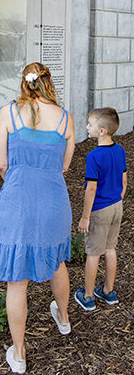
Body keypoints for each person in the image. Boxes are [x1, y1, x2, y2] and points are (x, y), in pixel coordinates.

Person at [0, 62, 75, 374]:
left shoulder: (7, 113)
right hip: (54, 200)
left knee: (16, 278)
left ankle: (20, 353)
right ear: (49, 83)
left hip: (18, 199)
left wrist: (18, 179)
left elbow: (1, 163)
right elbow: (65, 165)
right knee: (57, 262)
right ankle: (63, 318)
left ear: (23, 83)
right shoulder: (65, 118)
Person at [74, 108, 127, 310]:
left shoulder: (94, 156)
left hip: (100, 210)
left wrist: (85, 217)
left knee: (94, 252)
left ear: (102, 130)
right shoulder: (120, 150)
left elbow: (91, 188)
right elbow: (124, 180)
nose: (87, 127)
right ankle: (108, 291)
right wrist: (117, 200)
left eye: (90, 124)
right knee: (110, 249)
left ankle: (88, 296)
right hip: (116, 207)